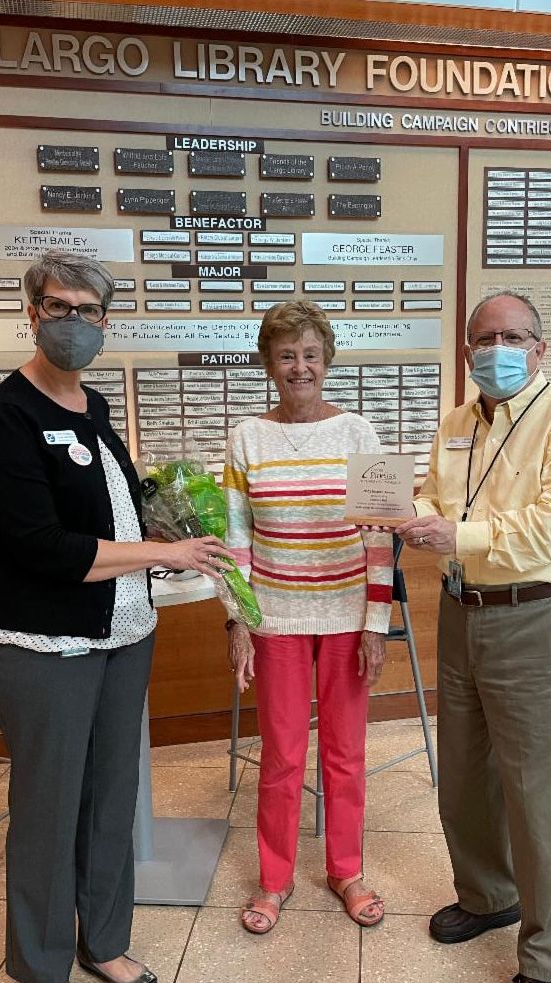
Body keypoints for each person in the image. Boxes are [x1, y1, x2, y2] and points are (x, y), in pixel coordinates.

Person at [0, 250, 233, 983]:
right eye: (59, 307)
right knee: (50, 808)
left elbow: (109, 514)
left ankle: (105, 942)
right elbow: (41, 546)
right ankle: (44, 964)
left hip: (123, 636)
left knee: (111, 797)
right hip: (44, 647)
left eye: (88, 311)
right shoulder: (7, 414)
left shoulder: (93, 404)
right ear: (32, 314)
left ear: (106, 322)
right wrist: (161, 551)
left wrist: (169, 531)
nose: (74, 323)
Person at [395, 290, 551, 983]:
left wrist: (456, 534)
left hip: (537, 616)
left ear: (539, 348)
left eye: (513, 337)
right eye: (484, 339)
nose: (498, 350)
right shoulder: (458, 422)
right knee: (464, 775)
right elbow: (436, 491)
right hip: (461, 613)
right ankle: (489, 895)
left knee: (540, 795)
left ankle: (546, 961)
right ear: (467, 352)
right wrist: (412, 510)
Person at [223, 300, 393, 934]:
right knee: (282, 755)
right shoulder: (246, 436)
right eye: (287, 355)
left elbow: (381, 537)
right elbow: (236, 539)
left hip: (347, 614)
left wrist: (376, 623)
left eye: (311, 355)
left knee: (346, 753)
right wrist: (239, 621)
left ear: (327, 361)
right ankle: (275, 878)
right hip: (275, 617)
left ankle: (346, 870)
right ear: (269, 364)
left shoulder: (360, 434)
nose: (300, 367)